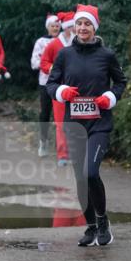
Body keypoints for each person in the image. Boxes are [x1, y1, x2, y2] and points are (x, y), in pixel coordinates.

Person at [46, 4, 126, 247]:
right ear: (74, 27)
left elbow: (121, 82)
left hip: (99, 124)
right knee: (80, 180)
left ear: (94, 28)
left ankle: (103, 222)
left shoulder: (107, 55)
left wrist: (110, 98)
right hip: (74, 125)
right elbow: (50, 84)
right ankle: (91, 227)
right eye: (79, 23)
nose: (82, 28)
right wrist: (62, 91)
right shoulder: (64, 55)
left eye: (87, 24)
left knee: (90, 173)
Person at [40, 10, 75, 166]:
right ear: (65, 28)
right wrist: (54, 68)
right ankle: (62, 154)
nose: (75, 29)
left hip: (76, 89)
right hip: (59, 89)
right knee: (61, 122)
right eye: (72, 26)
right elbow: (43, 63)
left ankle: (75, 152)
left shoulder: (79, 44)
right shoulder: (54, 44)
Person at [31, 13, 61, 156]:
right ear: (47, 27)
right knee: (45, 113)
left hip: (63, 83)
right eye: (52, 26)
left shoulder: (65, 41)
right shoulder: (41, 42)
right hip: (45, 82)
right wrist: (50, 66)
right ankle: (43, 142)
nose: (55, 28)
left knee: (62, 115)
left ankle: (63, 146)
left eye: (57, 26)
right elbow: (34, 62)